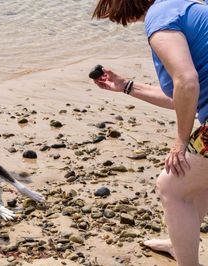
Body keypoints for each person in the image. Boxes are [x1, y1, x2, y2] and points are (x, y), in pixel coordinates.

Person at [91, 0, 208, 265]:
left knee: (170, 185)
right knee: (197, 179)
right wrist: (126, 86)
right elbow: (183, 95)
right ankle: (181, 239)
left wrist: (180, 142)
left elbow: (187, 83)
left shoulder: (161, 15)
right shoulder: (182, 7)